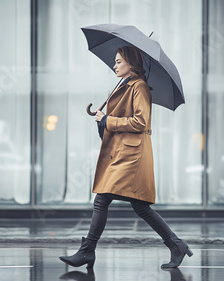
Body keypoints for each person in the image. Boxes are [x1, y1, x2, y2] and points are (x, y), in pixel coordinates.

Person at [59, 46, 192, 269]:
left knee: (102, 199)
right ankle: (175, 245)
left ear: (131, 63)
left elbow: (140, 122)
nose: (115, 65)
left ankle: (87, 251)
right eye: (115, 61)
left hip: (132, 156)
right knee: (140, 207)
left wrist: (109, 120)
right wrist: (103, 119)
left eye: (119, 61)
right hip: (125, 153)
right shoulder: (126, 85)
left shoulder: (139, 87)